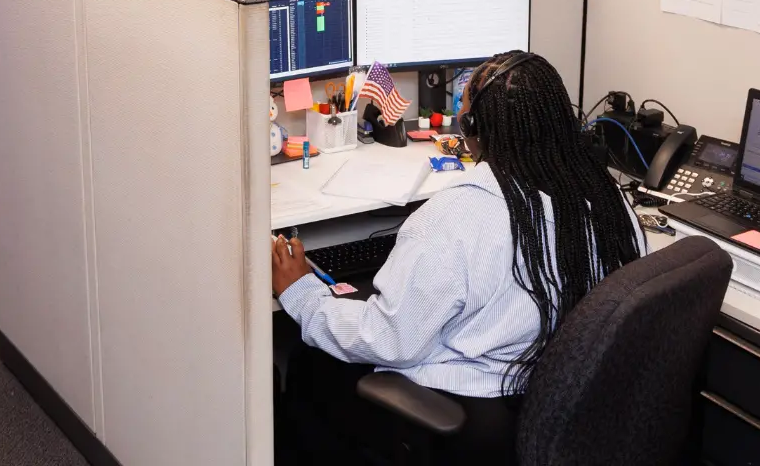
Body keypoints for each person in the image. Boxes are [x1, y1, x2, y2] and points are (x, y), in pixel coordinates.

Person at [272, 51, 645, 466]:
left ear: (471, 130)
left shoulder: (457, 215)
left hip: (472, 414)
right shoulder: (612, 201)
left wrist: (302, 293)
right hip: (558, 406)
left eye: (463, 111)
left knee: (308, 365)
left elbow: (389, 341)